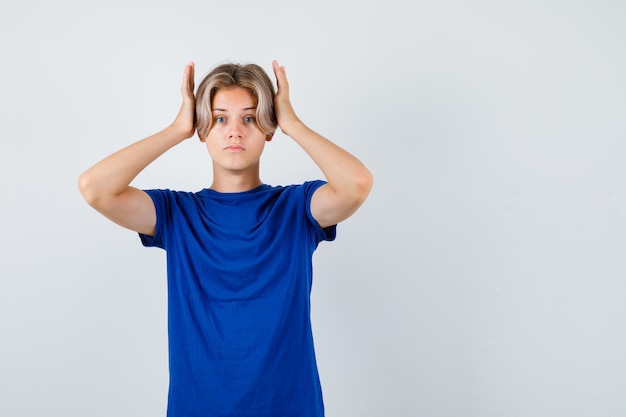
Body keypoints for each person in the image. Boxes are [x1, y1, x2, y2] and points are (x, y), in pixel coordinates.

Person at [78, 59, 373, 417]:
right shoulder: (176, 213)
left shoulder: (296, 208)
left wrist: (292, 123)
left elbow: (356, 184)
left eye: (249, 118)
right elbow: (95, 188)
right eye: (220, 119)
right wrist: (176, 129)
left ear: (268, 127)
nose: (235, 131)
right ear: (202, 129)